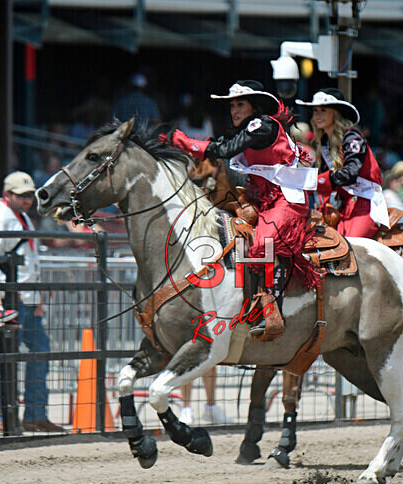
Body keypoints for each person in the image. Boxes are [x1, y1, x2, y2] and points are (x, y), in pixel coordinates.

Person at [164, 80, 319, 340]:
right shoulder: (248, 128)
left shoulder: (262, 126)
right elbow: (219, 144)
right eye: (232, 105)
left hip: (286, 200)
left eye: (240, 105)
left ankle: (272, 311)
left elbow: (224, 151)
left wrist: (186, 143)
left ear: (253, 107)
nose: (234, 110)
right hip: (261, 199)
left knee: (264, 242)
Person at [0, 171, 63, 433]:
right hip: (11, 297)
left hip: (25, 297)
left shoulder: (19, 216)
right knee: (3, 354)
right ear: (8, 194)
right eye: (22, 195)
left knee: (37, 352)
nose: (27, 200)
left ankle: (34, 413)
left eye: (29, 196)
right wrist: (1, 299)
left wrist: (36, 296)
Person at [296, 88, 389, 238]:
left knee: (352, 246)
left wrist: (318, 180)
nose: (317, 115)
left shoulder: (352, 137)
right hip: (342, 206)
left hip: (364, 205)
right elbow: (317, 176)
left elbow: (351, 173)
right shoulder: (324, 142)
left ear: (336, 113)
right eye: (315, 111)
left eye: (323, 110)